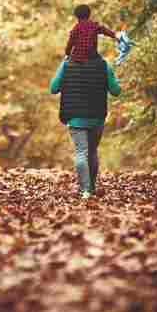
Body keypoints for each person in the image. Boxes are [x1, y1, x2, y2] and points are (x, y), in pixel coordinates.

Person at [50, 48, 121, 199]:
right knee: (92, 151)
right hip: (97, 117)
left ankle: (85, 191)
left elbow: (53, 88)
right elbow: (116, 90)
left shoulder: (67, 64)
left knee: (81, 152)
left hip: (75, 116)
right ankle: (92, 188)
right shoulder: (103, 65)